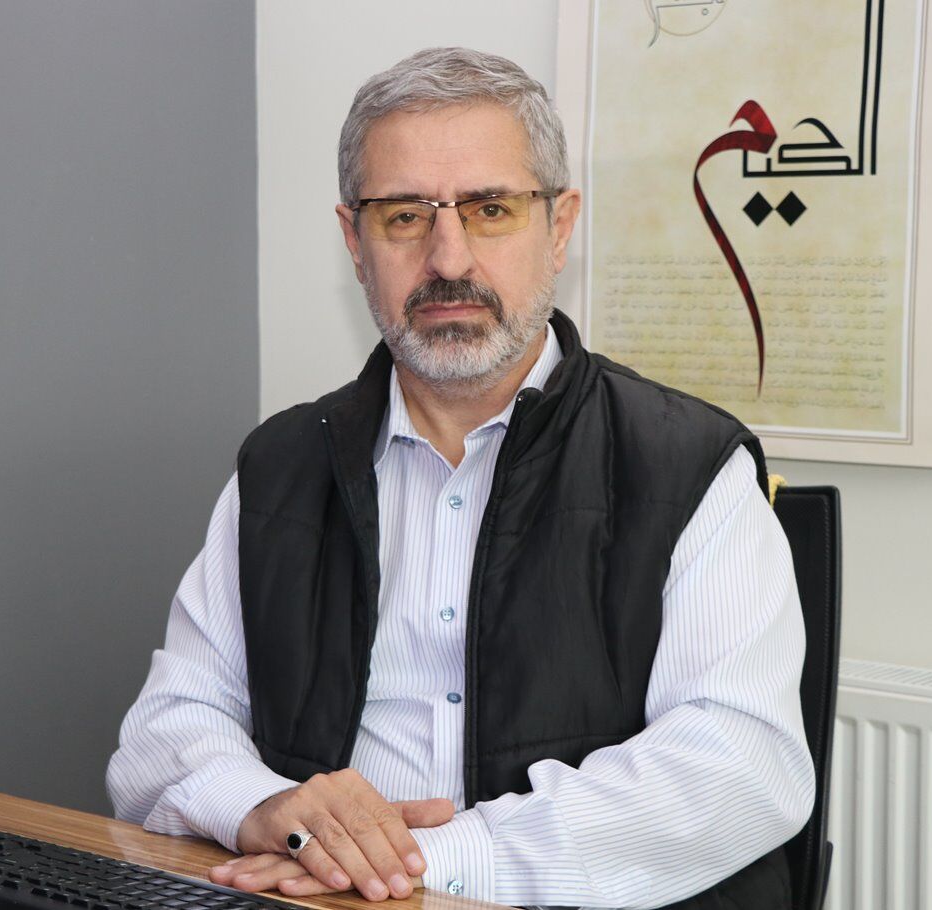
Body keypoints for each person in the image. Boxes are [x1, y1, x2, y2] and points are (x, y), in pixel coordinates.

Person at [107, 47, 814, 910]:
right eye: (404, 216)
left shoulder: (688, 466)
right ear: (354, 242)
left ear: (558, 227)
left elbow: (738, 768)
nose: (448, 258)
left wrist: (423, 864)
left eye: (489, 210)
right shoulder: (280, 467)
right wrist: (266, 812)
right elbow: (164, 731)